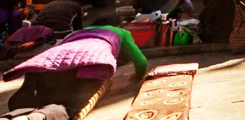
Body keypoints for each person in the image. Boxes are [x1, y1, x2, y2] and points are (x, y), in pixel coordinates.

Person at [3, 17, 147, 118]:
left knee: (47, 98)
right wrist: (138, 77)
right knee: (70, 107)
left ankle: (26, 105)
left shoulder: (76, 33)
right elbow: (141, 61)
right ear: (118, 25)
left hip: (52, 62)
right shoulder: (120, 32)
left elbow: (61, 53)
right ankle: (42, 114)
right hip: (87, 64)